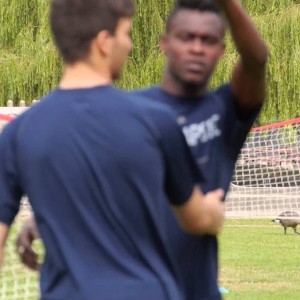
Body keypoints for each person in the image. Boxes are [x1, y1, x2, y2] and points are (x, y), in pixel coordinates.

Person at [16, 0, 268, 299]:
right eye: (187, 37)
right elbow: (95, 176)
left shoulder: (227, 111)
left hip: (194, 285)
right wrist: (47, 215)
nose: (197, 48)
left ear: (222, 51)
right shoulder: (133, 111)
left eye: (208, 40)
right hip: (135, 282)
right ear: (165, 43)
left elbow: (256, 60)